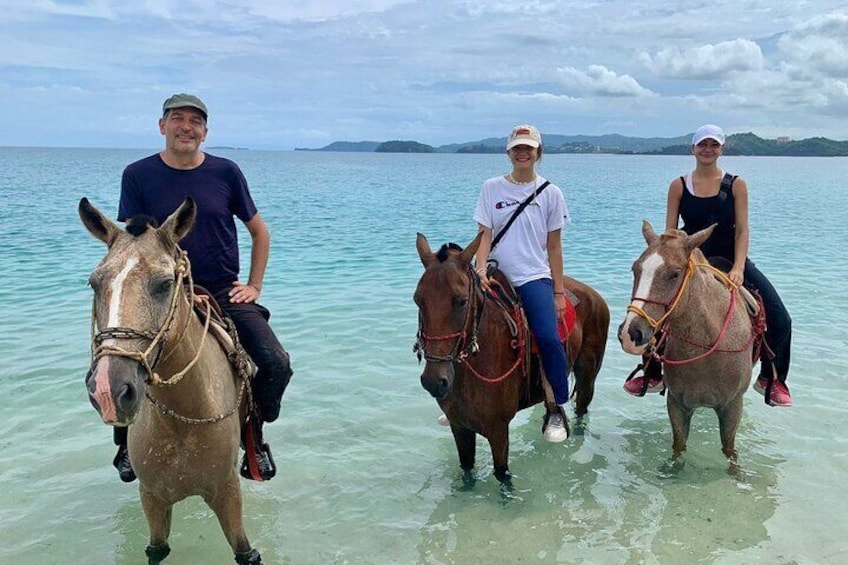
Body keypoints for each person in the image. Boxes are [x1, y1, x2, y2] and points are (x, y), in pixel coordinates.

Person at [113, 93, 294, 482]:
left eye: (195, 121)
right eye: (177, 119)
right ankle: (125, 442)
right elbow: (132, 243)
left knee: (277, 363)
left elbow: (260, 233)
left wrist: (254, 285)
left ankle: (254, 437)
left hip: (224, 290)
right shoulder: (138, 175)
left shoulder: (226, 172)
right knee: (121, 357)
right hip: (162, 291)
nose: (186, 127)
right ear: (162, 126)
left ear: (205, 132)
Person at [623, 124, 792, 407]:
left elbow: (742, 231)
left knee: (780, 319)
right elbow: (670, 234)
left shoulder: (736, 184)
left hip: (730, 258)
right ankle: (652, 373)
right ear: (693, 149)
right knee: (656, 309)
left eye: (713, 145)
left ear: (721, 149)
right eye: (702, 144)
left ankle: (771, 379)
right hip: (691, 261)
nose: (707, 149)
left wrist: (738, 268)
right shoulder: (679, 185)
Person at [472, 124, 572, 442]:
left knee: (548, 337)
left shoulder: (551, 192)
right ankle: (462, 401)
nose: (523, 152)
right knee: (460, 326)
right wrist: (479, 270)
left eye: (529, 147)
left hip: (533, 275)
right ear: (509, 152)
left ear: (538, 152)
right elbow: (484, 234)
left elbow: (554, 246)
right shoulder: (491, 188)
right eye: (517, 147)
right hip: (496, 273)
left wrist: (557, 291)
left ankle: (556, 407)